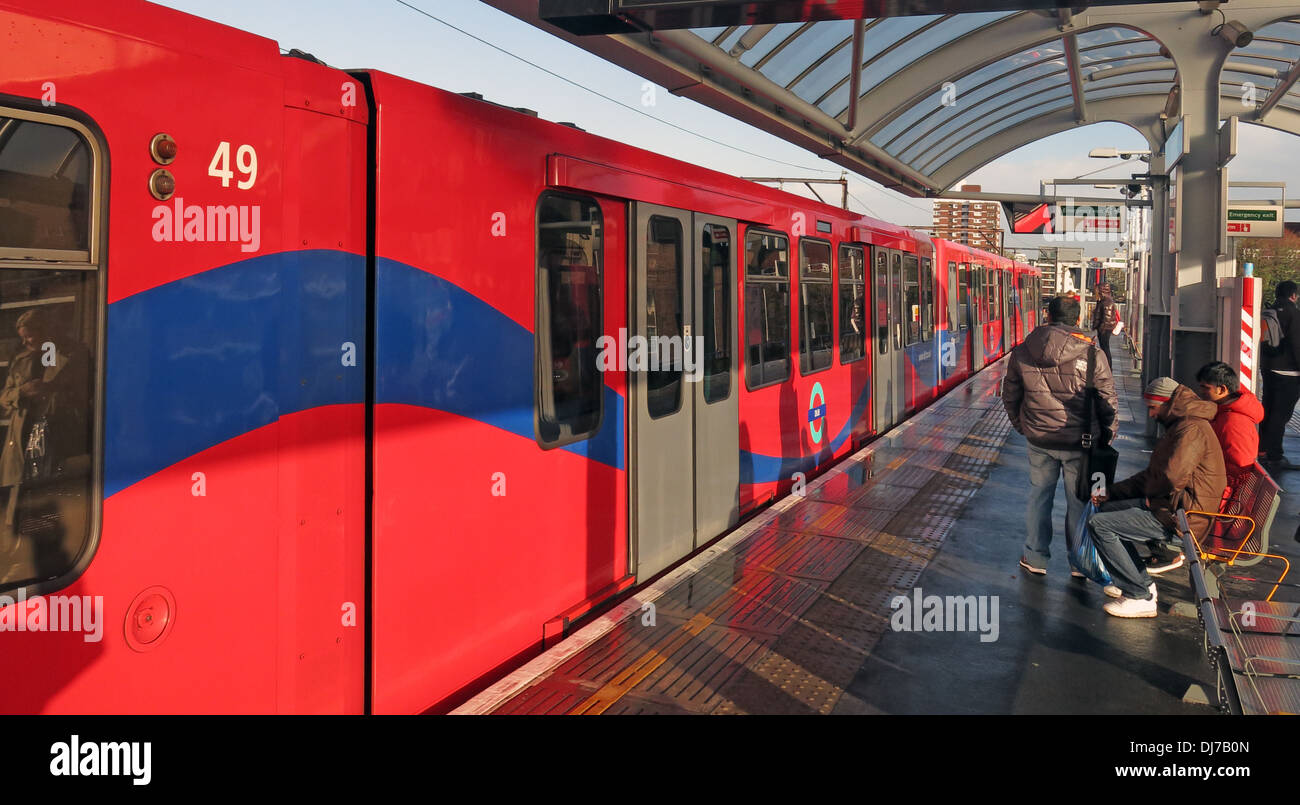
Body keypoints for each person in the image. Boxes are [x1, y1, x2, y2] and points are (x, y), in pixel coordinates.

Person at [1088, 378, 1226, 618]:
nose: (1151, 414)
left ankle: (1139, 595)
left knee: (1099, 526)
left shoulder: (1190, 429)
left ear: (1166, 403)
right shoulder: (1182, 424)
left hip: (1185, 517)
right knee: (1108, 508)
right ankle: (1140, 582)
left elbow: (1170, 479)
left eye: (1153, 408)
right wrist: (1112, 492)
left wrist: (1154, 500)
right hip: (1178, 507)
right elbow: (1156, 476)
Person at [1003, 294, 1118, 576]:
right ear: (1078, 319)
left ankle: (1035, 557)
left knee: (1039, 496)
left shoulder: (1023, 350)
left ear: (1047, 316)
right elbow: (1108, 401)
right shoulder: (1093, 353)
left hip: (1039, 439)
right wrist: (1107, 436)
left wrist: (1024, 427)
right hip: (1081, 441)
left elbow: (1009, 396)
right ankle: (1079, 561)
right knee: (1078, 500)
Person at [1259, 280, 1300, 472]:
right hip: (1289, 372)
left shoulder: (1270, 309)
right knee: (1281, 414)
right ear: (1293, 295)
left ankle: (1262, 450)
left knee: (1268, 409)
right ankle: (1275, 456)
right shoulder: (1293, 312)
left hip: (1268, 368)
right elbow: (1296, 344)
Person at [1196, 360, 1262, 474]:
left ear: (1222, 389)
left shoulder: (1234, 422)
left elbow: (1238, 469)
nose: (1200, 391)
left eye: (1205, 388)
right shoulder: (1223, 413)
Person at [1090, 283, 1119, 366]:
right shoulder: (1104, 301)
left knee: (1105, 348)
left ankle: (1108, 367)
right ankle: (1107, 366)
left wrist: (1100, 328)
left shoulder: (1106, 302)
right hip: (1104, 328)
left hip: (1105, 329)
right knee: (1105, 348)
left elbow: (1106, 317)